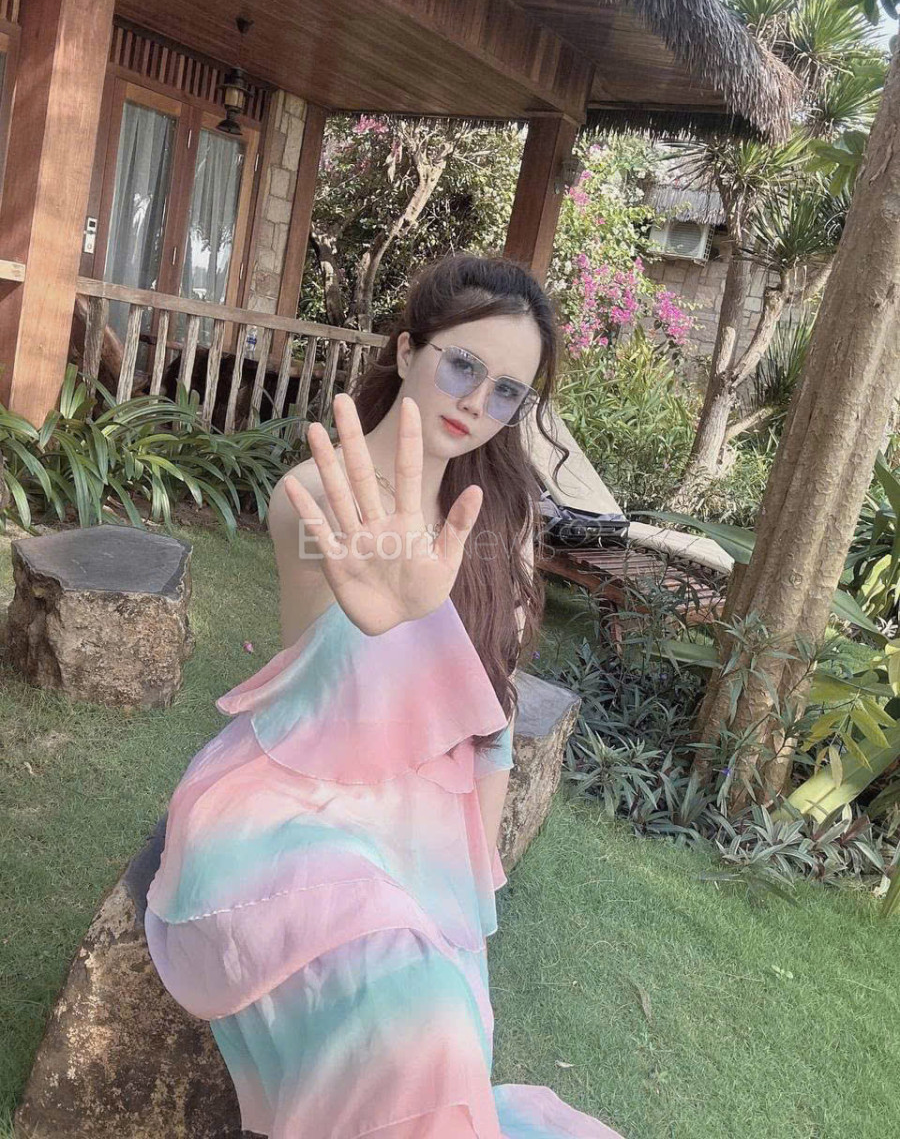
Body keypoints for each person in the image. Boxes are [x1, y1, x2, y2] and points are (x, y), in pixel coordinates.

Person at [144, 253, 625, 1138]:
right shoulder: (312, 498)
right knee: (407, 1009)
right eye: (462, 364)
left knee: (446, 1029)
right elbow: (324, 687)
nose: (477, 403)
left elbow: (491, 713)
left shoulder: (500, 516)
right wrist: (392, 617)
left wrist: (476, 874)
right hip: (297, 801)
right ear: (407, 350)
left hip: (423, 820)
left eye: (508, 391)